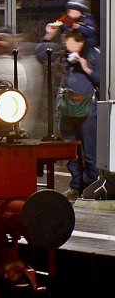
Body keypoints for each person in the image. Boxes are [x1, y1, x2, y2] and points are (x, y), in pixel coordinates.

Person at [56, 29, 99, 200]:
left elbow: (100, 79)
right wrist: (47, 36)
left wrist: (85, 67)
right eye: (65, 42)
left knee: (90, 153)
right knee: (71, 151)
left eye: (70, 42)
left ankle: (90, 188)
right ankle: (75, 186)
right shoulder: (65, 56)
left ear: (80, 41)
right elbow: (42, 54)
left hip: (87, 110)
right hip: (67, 109)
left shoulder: (94, 56)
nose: (67, 45)